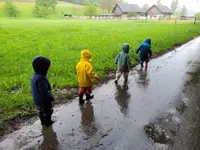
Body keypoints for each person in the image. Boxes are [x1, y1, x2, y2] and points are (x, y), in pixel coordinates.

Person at [31, 56, 55, 127]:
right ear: (43, 68)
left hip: (36, 99)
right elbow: (45, 92)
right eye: (47, 67)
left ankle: (42, 122)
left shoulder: (34, 76)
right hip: (44, 100)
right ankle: (48, 122)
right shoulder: (41, 79)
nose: (48, 68)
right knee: (48, 111)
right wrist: (50, 97)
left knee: (40, 111)